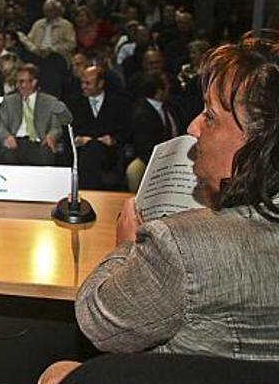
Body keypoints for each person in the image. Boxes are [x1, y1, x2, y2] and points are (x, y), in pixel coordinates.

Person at [76, 35, 279, 359]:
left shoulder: (180, 245)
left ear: (258, 141)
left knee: (59, 372)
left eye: (210, 116)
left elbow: (99, 321)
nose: (193, 127)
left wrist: (127, 247)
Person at [68, 66, 130, 189]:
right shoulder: (73, 103)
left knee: (95, 148)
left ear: (100, 83)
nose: (83, 86)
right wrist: (77, 139)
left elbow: (126, 131)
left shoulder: (119, 104)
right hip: (82, 153)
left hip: (109, 154)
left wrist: (113, 139)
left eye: (88, 83)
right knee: (92, 149)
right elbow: (68, 131)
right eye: (82, 83)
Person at [0, 63, 72, 166]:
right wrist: (6, 136)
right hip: (16, 141)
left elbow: (57, 127)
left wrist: (52, 135)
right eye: (17, 82)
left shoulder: (49, 101)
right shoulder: (9, 101)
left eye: (22, 82)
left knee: (46, 154)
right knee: (7, 155)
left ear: (34, 82)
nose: (18, 85)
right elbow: (2, 126)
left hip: (40, 143)